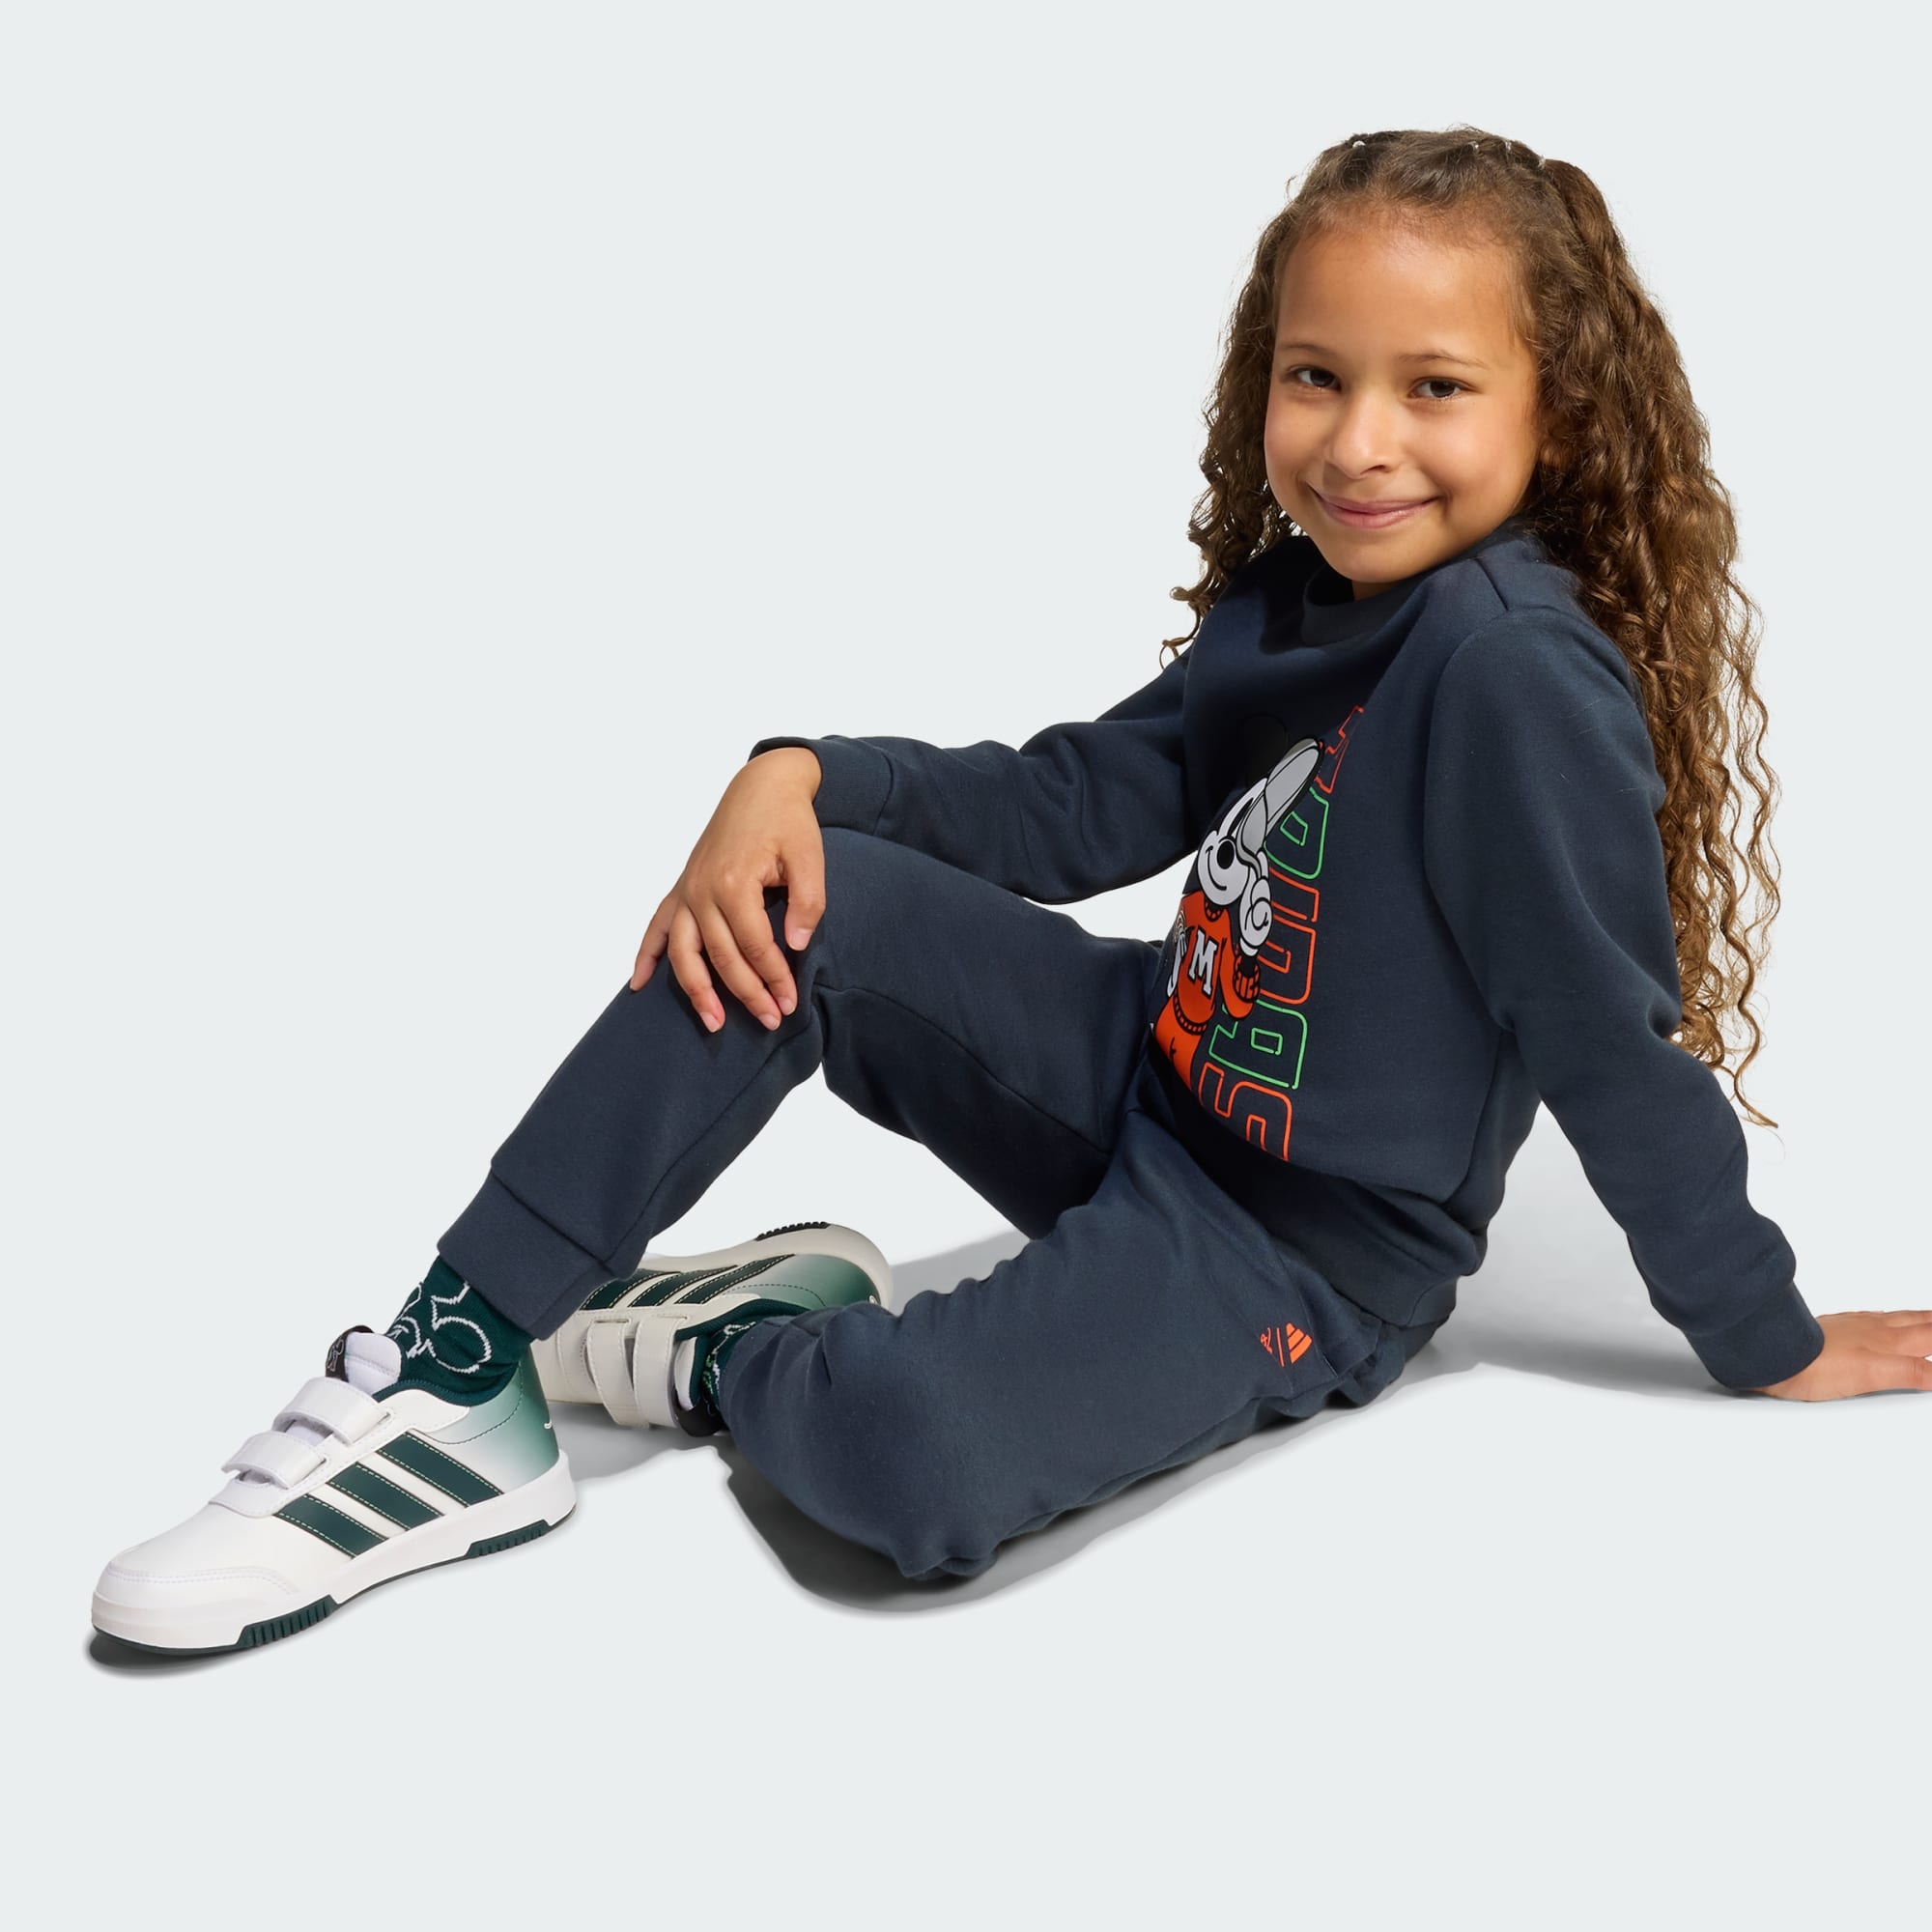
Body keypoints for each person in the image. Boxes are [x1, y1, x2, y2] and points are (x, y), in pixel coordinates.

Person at [91, 124, 1932, 1656]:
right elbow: (1084, 798)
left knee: (900, 1464)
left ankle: (742, 1347)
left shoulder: (1513, 672)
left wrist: (1760, 1334)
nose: (1360, 442)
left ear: (1561, 415)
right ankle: (456, 1365)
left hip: (1299, 1248)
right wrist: (803, 776)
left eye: (1434, 388)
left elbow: (1606, 1040)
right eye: (1317, 375)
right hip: (1148, 1069)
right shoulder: (1300, 598)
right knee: (806, 899)